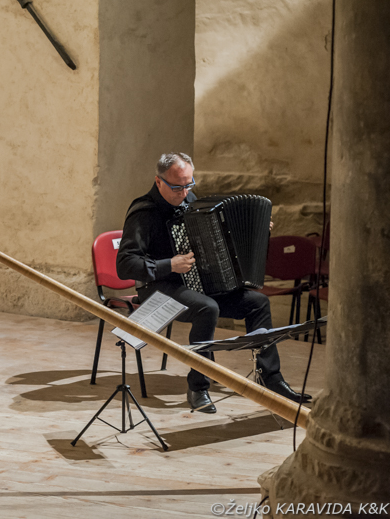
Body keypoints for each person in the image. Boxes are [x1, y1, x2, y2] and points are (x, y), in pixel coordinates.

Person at [116, 152, 310, 414]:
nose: (184, 193)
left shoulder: (192, 202)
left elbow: (219, 245)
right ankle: (198, 387)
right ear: (158, 181)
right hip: (158, 288)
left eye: (189, 184)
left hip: (197, 284)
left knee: (258, 303)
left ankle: (270, 378)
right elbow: (125, 265)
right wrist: (169, 265)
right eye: (176, 187)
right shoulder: (144, 212)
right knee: (207, 308)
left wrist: (258, 231)